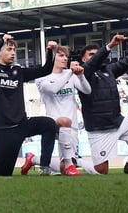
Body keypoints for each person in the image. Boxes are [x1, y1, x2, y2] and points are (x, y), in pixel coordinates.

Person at [0, 34, 57, 176]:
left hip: (21, 125)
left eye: (14, 50)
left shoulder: (18, 71)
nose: (13, 53)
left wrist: (50, 51)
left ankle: (45, 167)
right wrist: (1, 42)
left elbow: (45, 70)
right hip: (1, 130)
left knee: (49, 124)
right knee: (5, 171)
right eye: (9, 49)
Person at [77, 35, 128, 174]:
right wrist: (109, 46)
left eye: (96, 53)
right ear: (83, 59)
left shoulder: (109, 70)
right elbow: (92, 64)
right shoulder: (82, 74)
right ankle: (78, 161)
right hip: (99, 129)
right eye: (91, 54)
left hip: (117, 122)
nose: (94, 57)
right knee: (101, 172)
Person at [33, 46, 89, 176]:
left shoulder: (71, 75)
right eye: (61, 55)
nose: (65, 58)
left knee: (65, 169)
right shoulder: (42, 77)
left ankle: (33, 159)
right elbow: (53, 89)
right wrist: (70, 72)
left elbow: (87, 90)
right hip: (53, 123)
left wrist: (80, 76)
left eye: (66, 56)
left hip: (72, 126)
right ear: (52, 57)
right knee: (64, 121)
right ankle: (69, 165)